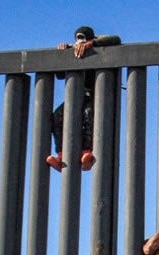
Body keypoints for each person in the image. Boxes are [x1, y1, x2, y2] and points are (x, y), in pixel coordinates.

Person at [46, 26, 121, 173]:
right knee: (58, 117)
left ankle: (87, 152)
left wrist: (92, 44)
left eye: (83, 38)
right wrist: (63, 54)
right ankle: (61, 155)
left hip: (96, 95)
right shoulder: (74, 50)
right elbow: (60, 75)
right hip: (78, 95)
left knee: (89, 113)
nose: (80, 42)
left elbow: (116, 39)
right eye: (78, 38)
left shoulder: (96, 46)